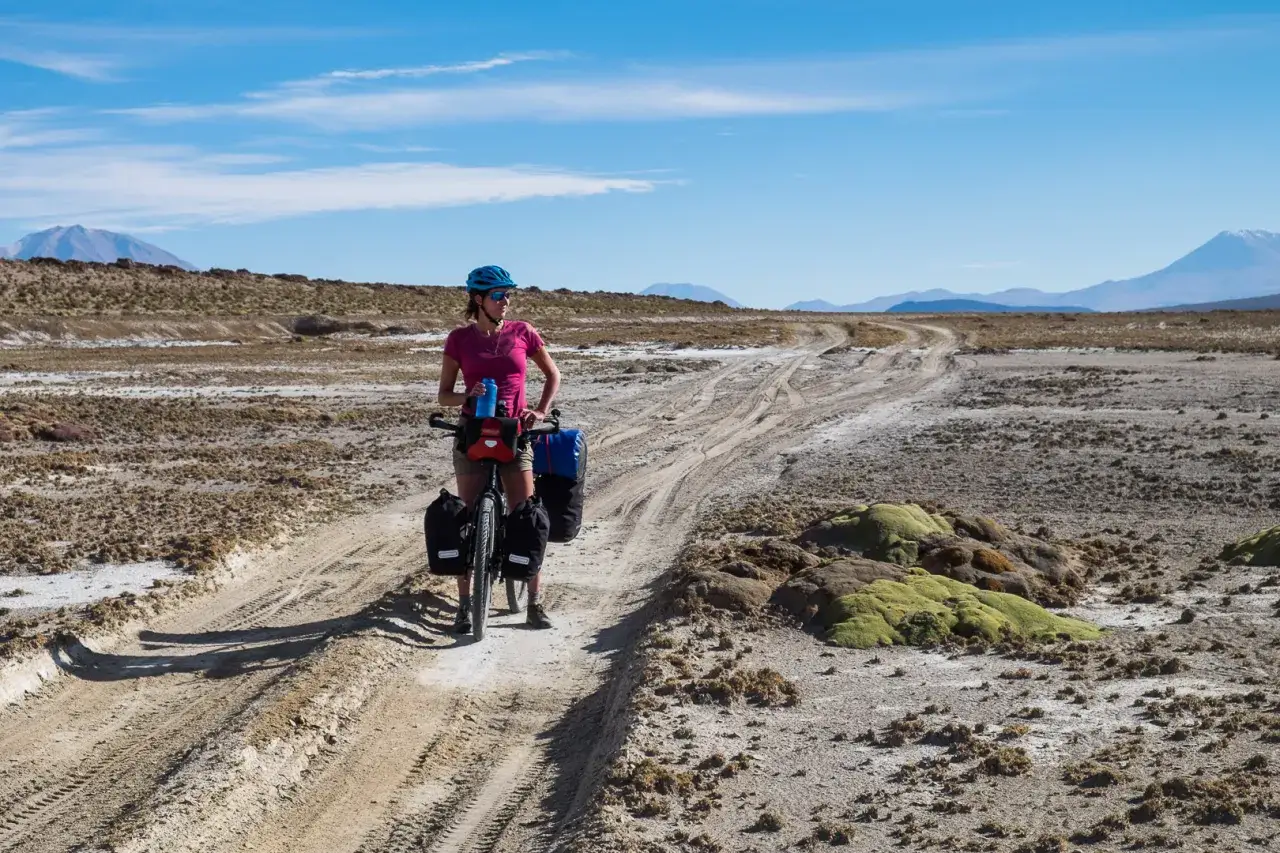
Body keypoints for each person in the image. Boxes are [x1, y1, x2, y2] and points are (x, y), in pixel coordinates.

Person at [438, 265, 561, 633]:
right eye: (498, 295)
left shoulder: (523, 332)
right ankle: (464, 606)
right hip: (473, 433)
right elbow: (444, 395)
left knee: (526, 514)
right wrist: (467, 394)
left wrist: (538, 410)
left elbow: (552, 375)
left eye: (508, 295)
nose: (506, 301)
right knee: (466, 517)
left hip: (516, 433)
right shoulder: (459, 339)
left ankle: (534, 603)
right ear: (478, 300)